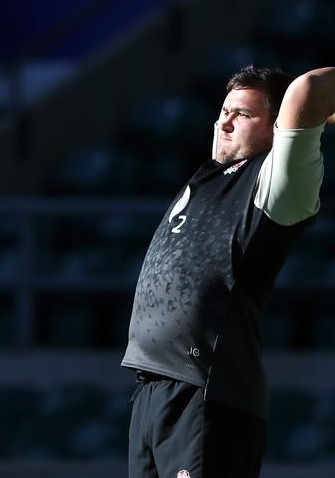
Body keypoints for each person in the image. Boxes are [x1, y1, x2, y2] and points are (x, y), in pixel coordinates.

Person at [121, 64, 335, 478]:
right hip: (152, 391)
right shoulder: (210, 177)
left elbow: (308, 89)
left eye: (243, 114)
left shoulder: (277, 185)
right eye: (223, 111)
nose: (224, 122)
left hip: (208, 393)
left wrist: (313, 114)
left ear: (277, 127)